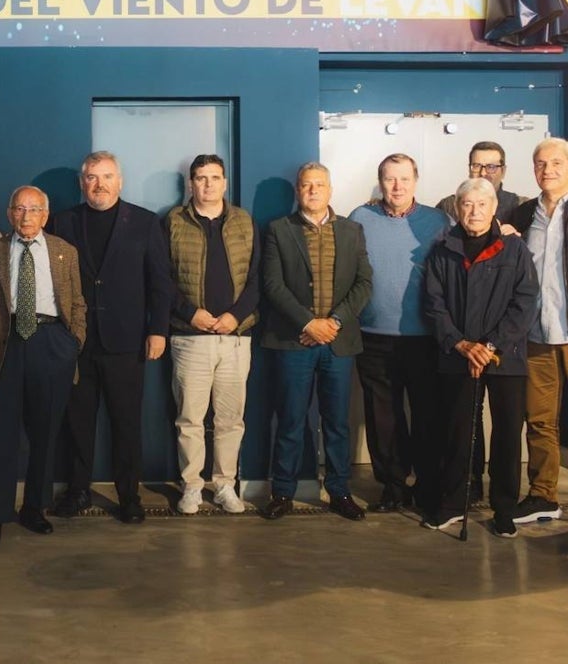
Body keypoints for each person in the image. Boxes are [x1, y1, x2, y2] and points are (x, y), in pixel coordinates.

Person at [49, 151, 174, 524]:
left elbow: (160, 283)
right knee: (77, 423)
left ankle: (129, 496)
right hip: (77, 341)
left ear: (119, 182)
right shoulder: (62, 222)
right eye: (91, 177)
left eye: (106, 176)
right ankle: (77, 490)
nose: (98, 184)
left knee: (126, 423)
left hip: (127, 341)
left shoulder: (145, 223)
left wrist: (157, 330)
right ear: (81, 182)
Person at [0, 186, 86, 546]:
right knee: (2, 434)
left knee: (45, 433)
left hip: (52, 343)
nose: (26, 216)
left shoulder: (65, 252)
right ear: (9, 213)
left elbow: (78, 303)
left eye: (34, 209)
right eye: (19, 209)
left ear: (45, 215)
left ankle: (35, 508)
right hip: (7, 346)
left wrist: (73, 344)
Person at [424, 178, 538, 537]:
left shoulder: (515, 250)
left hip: (505, 358)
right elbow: (433, 304)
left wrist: (489, 347)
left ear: (493, 208)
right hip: (458, 357)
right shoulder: (442, 249)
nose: (474, 211)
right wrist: (461, 345)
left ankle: (504, 508)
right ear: (457, 208)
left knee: (507, 435)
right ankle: (454, 502)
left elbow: (524, 302)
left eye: (481, 204)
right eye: (467, 204)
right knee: (457, 432)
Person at [261, 162, 372, 522]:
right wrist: (309, 323)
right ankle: (283, 493)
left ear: (330, 190)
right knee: (291, 420)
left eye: (319, 185)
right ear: (298, 191)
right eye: (306, 185)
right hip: (295, 342)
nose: (313, 191)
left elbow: (364, 284)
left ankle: (339, 491)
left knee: (337, 421)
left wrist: (334, 322)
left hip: (338, 343)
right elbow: (273, 285)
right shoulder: (278, 230)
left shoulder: (353, 231)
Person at [347, 154, 449, 513]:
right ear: (381, 182)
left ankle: (427, 484)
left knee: (427, 414)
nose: (397, 186)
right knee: (382, 417)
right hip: (374, 335)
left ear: (416, 181)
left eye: (404, 179)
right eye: (390, 179)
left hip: (424, 337)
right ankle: (392, 485)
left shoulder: (438, 221)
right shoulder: (361, 218)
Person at [165, 154, 259, 515]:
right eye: (200, 178)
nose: (208, 184)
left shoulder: (244, 222)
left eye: (214, 178)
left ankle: (224, 485)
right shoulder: (173, 221)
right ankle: (191, 486)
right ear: (190, 183)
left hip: (236, 338)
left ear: (225, 183)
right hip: (190, 338)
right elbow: (163, 279)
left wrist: (236, 316)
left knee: (230, 419)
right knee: (189, 418)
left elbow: (255, 279)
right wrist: (192, 313)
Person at [509, 137, 568, 525]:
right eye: (540, 164)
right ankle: (544, 495)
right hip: (536, 334)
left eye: (557, 163)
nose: (548, 170)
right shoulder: (523, 214)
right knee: (540, 419)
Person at [437, 141, 525, 225]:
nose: (483, 173)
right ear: (469, 169)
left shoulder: (522, 206)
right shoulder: (448, 206)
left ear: (503, 171)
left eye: (491, 167)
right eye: (476, 166)